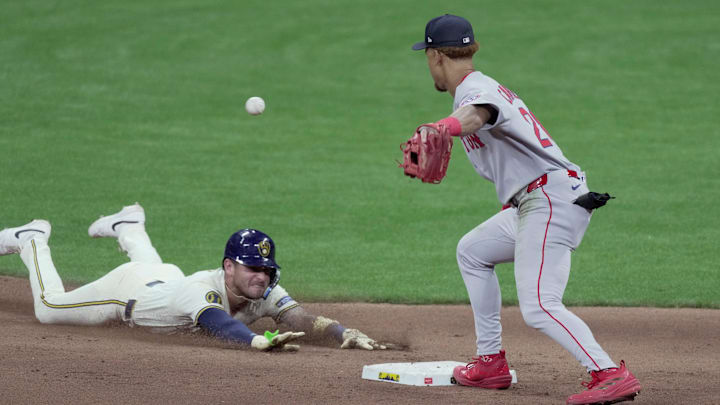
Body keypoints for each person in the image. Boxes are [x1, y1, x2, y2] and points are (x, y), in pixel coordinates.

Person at [409, 14, 641, 405]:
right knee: (472, 250)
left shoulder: (475, 92)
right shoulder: (477, 87)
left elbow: (476, 115)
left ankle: (608, 373)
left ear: (435, 56)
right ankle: (490, 363)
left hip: (549, 199)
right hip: (538, 199)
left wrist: (443, 127)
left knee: (539, 306)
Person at [0, 203, 384, 352]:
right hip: (125, 292)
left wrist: (342, 333)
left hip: (162, 278)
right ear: (228, 267)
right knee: (49, 308)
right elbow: (217, 323)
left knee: (159, 267)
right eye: (252, 268)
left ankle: (130, 227)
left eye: (266, 270)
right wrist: (254, 341)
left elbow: (297, 318)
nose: (261, 278)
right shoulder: (202, 290)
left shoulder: (260, 287)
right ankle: (32, 240)